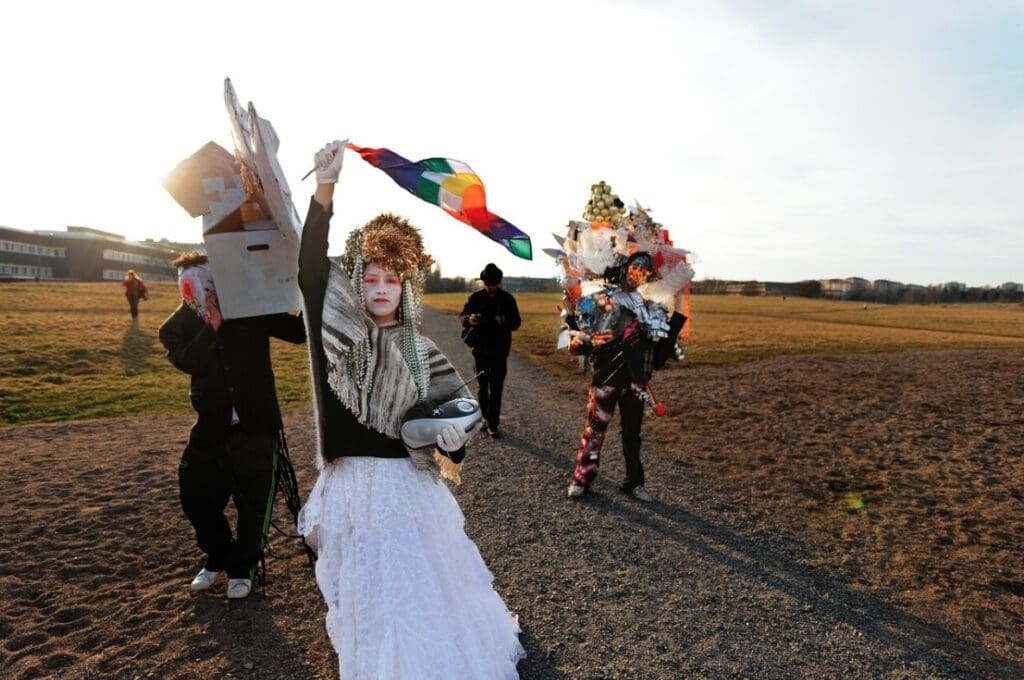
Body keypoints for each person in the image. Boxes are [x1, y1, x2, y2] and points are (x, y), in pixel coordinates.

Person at [296, 140, 524, 679]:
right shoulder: (337, 335)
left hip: (407, 490)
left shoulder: (422, 352)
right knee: (369, 598)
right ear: (356, 282)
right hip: (353, 487)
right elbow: (308, 270)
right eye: (369, 278)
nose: (380, 289)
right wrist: (325, 189)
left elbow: (452, 422)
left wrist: (454, 436)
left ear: (407, 288)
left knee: (415, 593)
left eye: (392, 280)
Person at [158, 252, 307, 599]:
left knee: (253, 503)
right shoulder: (175, 328)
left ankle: (244, 567)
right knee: (195, 495)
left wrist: (303, 286)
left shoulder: (250, 308)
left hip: (256, 424)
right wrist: (212, 325)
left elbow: (299, 332)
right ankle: (219, 555)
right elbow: (190, 360)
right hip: (210, 426)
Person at [566, 252, 687, 502]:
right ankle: (582, 478)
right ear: (624, 268)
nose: (637, 273)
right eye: (635, 267)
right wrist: (578, 338)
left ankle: (634, 482)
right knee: (594, 430)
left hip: (635, 381)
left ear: (649, 277)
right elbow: (585, 336)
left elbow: (661, 348)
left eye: (644, 271)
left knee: (632, 435)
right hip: (605, 378)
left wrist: (677, 305)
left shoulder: (651, 306)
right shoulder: (602, 300)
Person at [458, 263, 521, 438]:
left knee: (497, 387)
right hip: (479, 350)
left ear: (499, 282)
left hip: (500, 351)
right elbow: (461, 317)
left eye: (494, 284)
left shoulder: (508, 299)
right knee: (482, 387)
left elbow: (516, 322)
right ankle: (485, 418)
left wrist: (503, 320)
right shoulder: (475, 298)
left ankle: (493, 424)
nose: (491, 287)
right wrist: (469, 319)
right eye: (488, 284)